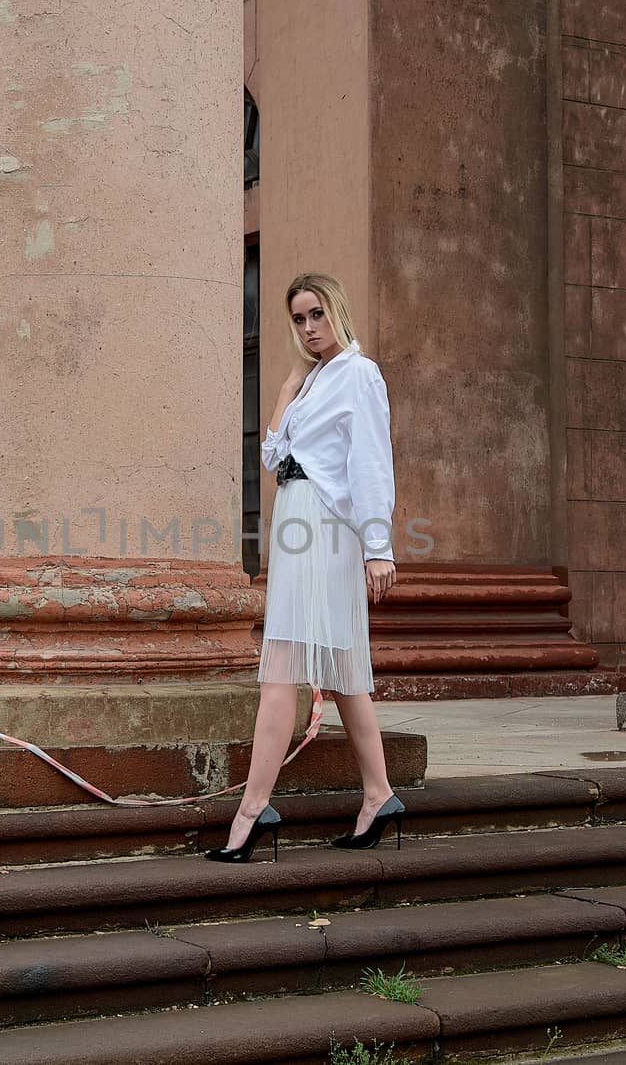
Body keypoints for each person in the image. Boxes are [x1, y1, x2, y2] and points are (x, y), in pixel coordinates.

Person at [205, 273, 402, 863]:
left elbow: (372, 462)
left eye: (316, 315)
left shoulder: (360, 375)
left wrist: (378, 546)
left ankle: (251, 810)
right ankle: (379, 794)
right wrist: (290, 386)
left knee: (285, 668)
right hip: (296, 522)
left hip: (326, 526)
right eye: (298, 319)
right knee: (340, 668)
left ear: (336, 311)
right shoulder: (312, 377)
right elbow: (272, 457)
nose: (309, 328)